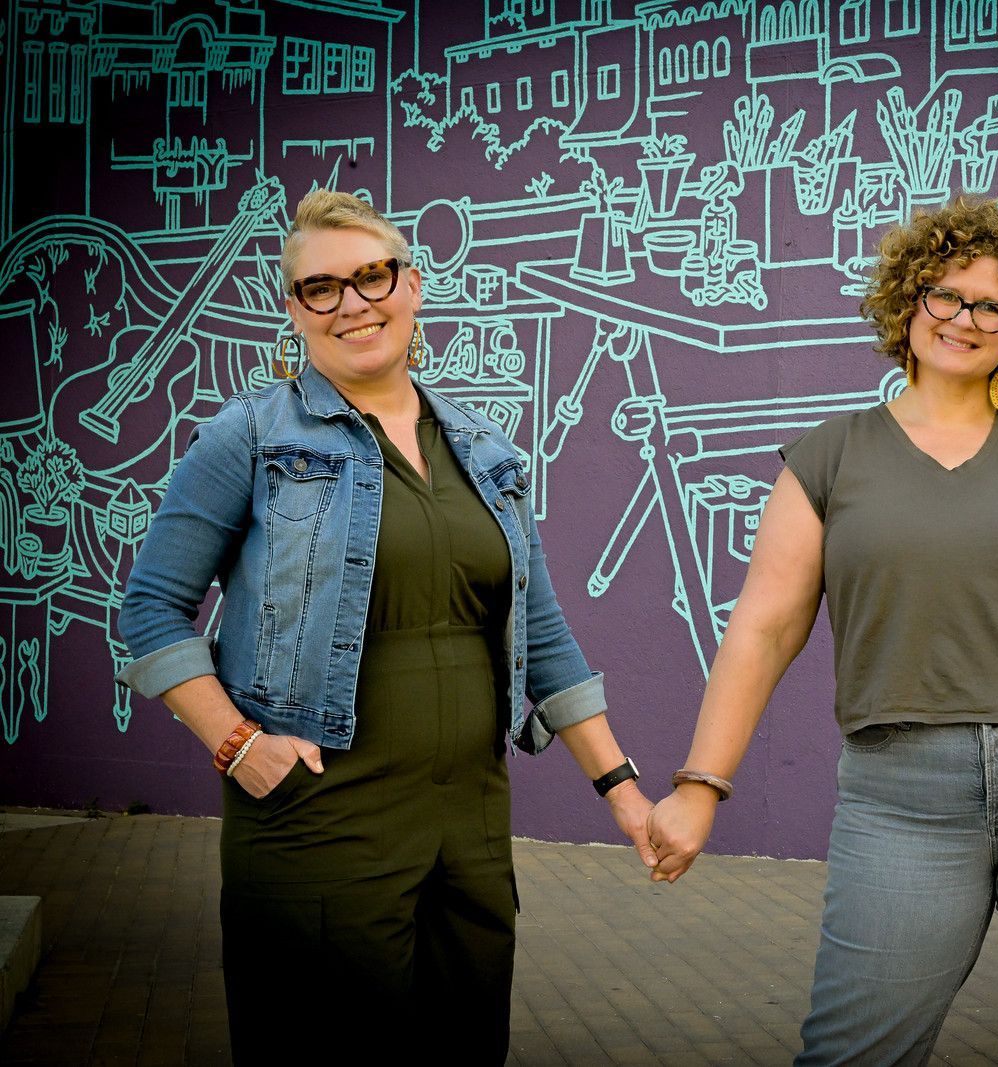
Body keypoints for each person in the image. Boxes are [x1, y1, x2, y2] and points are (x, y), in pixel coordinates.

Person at [646, 196, 998, 1065]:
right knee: (851, 1052)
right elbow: (763, 628)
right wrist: (699, 785)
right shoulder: (827, 458)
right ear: (909, 303)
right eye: (945, 294)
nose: (964, 318)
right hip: (903, 795)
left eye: (991, 306)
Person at [115, 189, 657, 1064]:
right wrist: (237, 744)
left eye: (372, 276)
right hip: (315, 816)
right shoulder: (250, 437)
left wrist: (623, 791)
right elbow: (150, 609)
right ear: (292, 310)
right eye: (321, 288)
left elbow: (544, 636)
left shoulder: (487, 451)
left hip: (469, 823)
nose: (352, 303)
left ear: (412, 285)